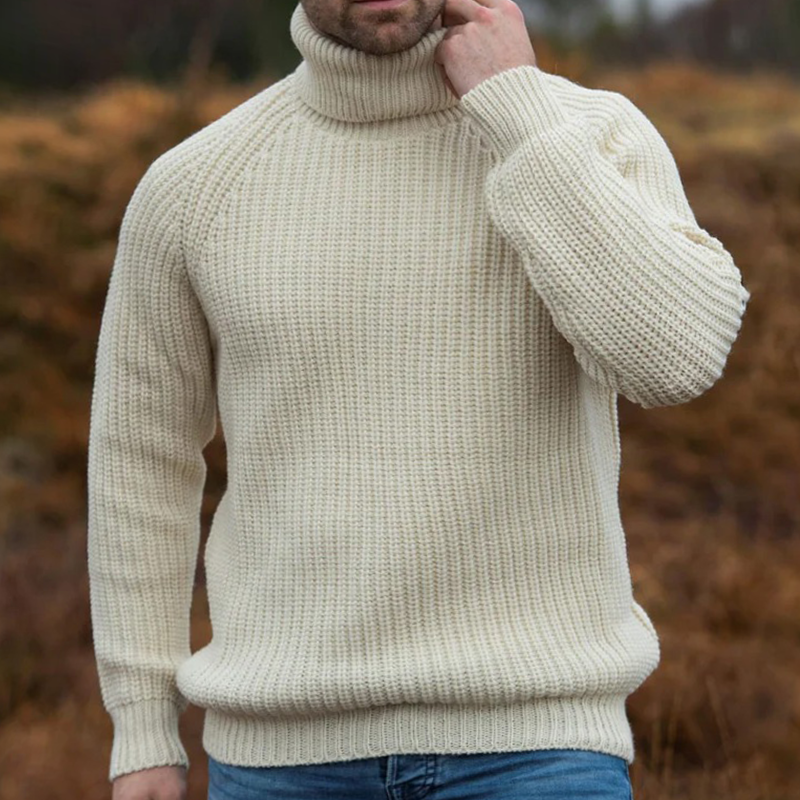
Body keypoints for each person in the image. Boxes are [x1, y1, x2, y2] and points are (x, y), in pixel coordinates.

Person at [86, 0, 751, 798]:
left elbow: (675, 360)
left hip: (539, 751)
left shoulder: (586, 134)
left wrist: (517, 112)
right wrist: (143, 726)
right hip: (281, 760)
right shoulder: (195, 186)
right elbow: (141, 461)